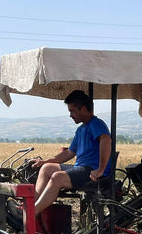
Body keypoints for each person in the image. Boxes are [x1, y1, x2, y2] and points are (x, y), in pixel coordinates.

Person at [30, 90, 112, 218]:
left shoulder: (96, 124)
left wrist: (100, 169)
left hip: (91, 171)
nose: (70, 115)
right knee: (47, 168)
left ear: (83, 109)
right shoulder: (81, 129)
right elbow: (69, 152)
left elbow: (106, 140)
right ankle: (31, 206)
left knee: (57, 177)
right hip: (80, 168)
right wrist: (45, 161)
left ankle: (31, 213)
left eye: (72, 111)